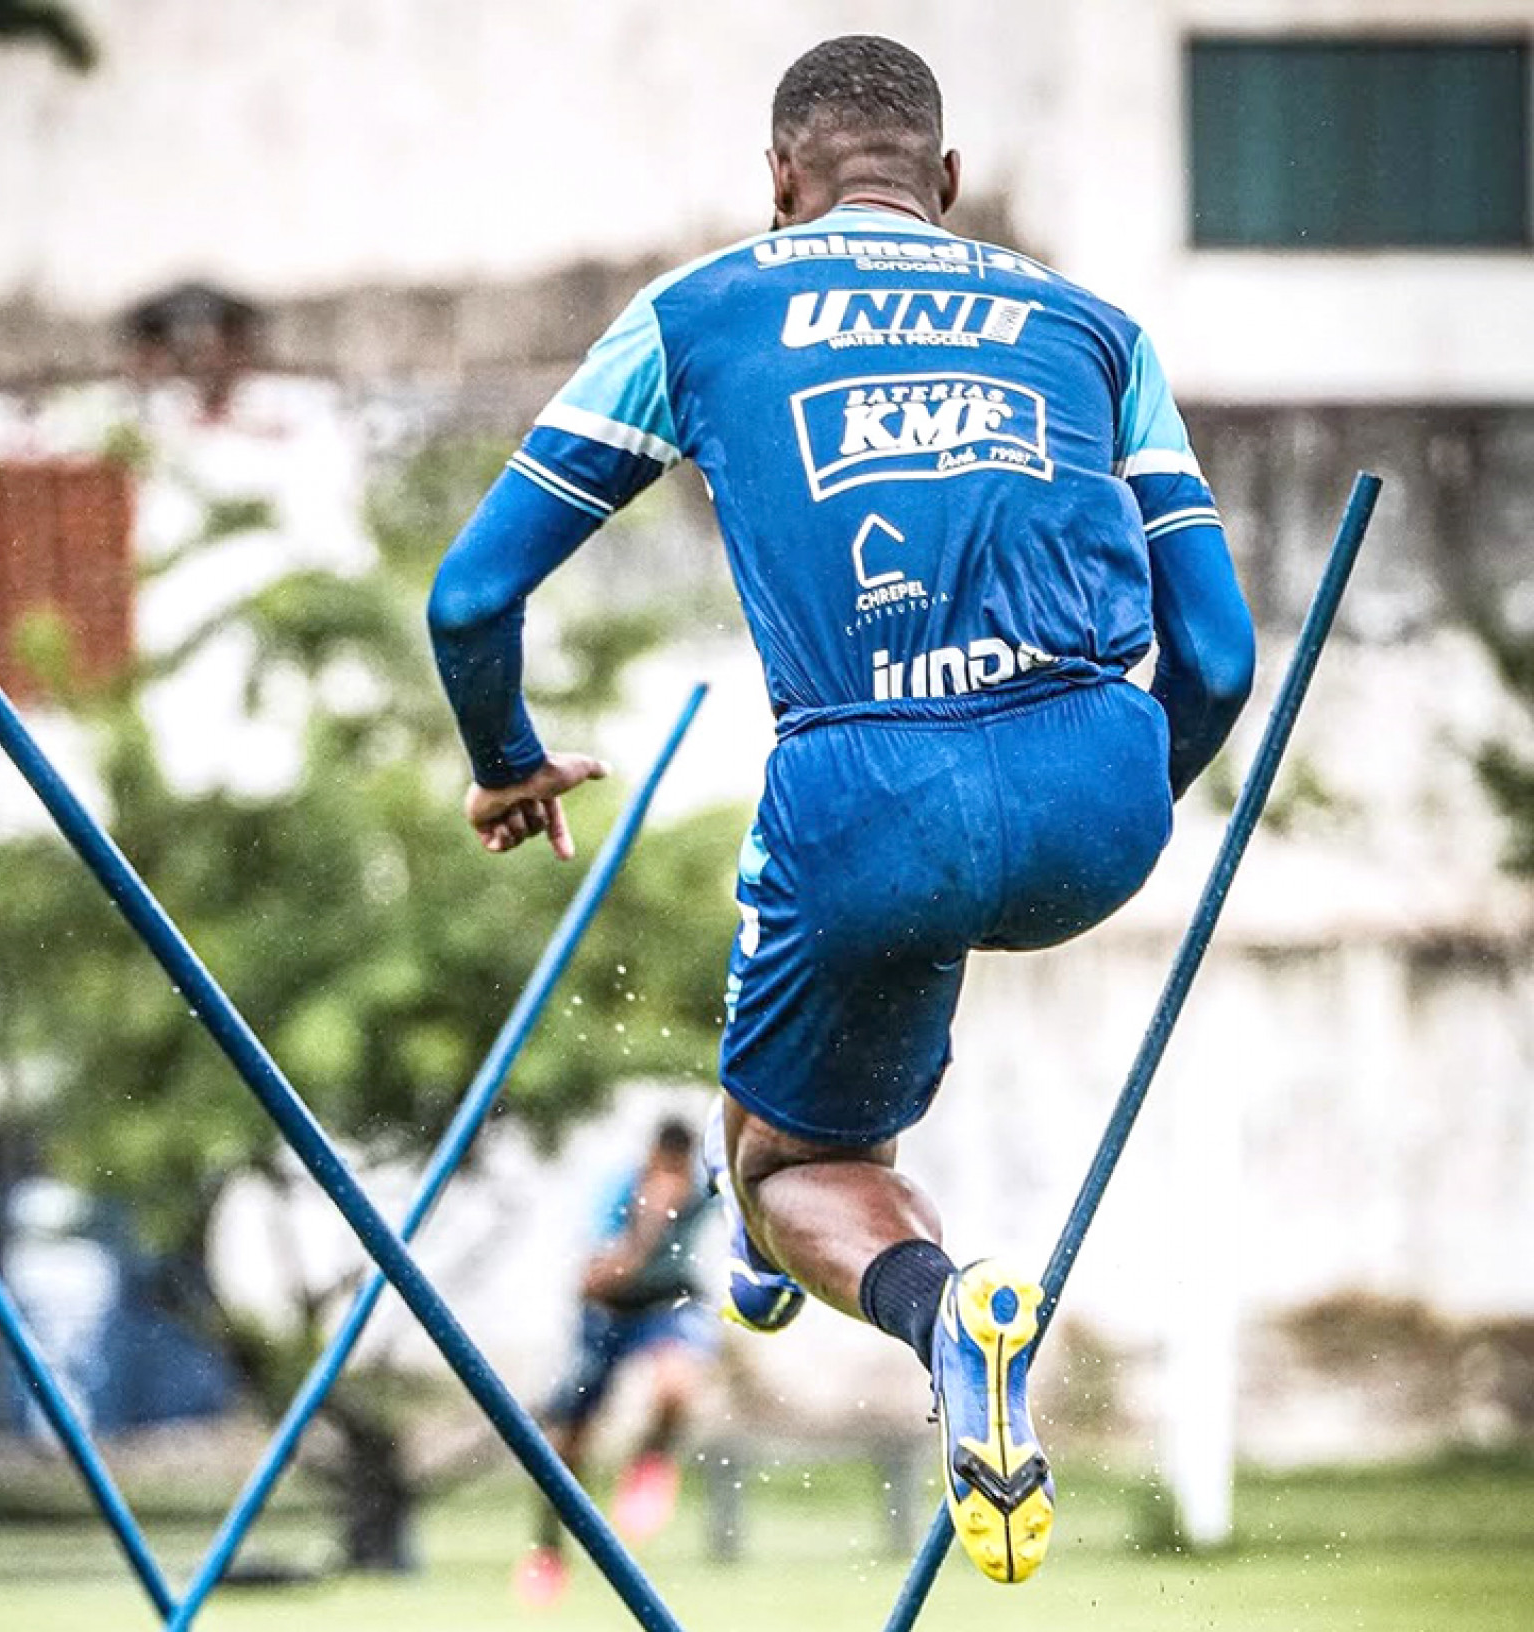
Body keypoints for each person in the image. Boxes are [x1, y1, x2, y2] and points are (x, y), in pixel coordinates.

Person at [429, 35, 1254, 1587]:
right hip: (1095, 793)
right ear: (945, 180)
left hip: (868, 796)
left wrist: (505, 754)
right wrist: (1103, 808)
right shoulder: (1093, 328)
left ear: (777, 180)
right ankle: (771, 1258)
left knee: (779, 1165)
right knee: (818, 1066)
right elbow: (1214, 655)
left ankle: (930, 1309)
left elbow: (468, 598)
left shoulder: (697, 311)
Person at [514, 1116, 716, 1608]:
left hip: (668, 1303)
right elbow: (597, 1276)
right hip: (608, 1312)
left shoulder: (701, 1190)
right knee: (567, 1445)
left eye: (681, 1172)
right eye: (665, 1170)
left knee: (677, 1387)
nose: (673, 1183)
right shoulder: (618, 1193)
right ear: (650, 1160)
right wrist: (647, 1228)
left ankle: (650, 1463)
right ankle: (547, 1549)